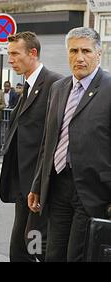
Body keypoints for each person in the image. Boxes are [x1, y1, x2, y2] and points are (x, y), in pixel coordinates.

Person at [29, 27, 111, 262]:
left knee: (78, 255)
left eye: (86, 50)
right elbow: (49, 140)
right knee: (53, 253)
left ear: (99, 54)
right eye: (73, 50)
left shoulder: (108, 88)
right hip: (58, 186)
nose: (79, 57)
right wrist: (38, 184)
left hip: (93, 190)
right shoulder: (59, 88)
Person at [0, 31, 63, 262]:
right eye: (9, 54)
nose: (10, 59)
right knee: (20, 248)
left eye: (15, 54)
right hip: (21, 184)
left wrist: (41, 184)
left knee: (36, 245)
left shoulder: (55, 84)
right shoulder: (26, 85)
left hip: (38, 185)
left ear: (33, 53)